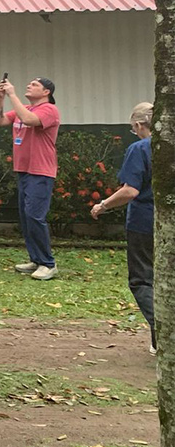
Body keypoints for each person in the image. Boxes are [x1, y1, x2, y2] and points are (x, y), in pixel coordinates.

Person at [90, 102, 156, 355]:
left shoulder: (141, 148)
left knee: (142, 279)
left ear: (140, 125)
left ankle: (162, 330)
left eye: (134, 128)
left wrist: (103, 205)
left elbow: (130, 190)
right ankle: (158, 338)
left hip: (144, 221)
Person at [0, 76, 61, 280]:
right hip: (23, 170)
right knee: (26, 217)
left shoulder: (49, 110)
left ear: (46, 92)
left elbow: (30, 121)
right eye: (28, 82)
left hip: (41, 171)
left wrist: (12, 94)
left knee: (35, 216)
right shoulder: (24, 109)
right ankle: (36, 260)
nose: (29, 85)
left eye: (35, 84)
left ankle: (48, 264)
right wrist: (1, 99)